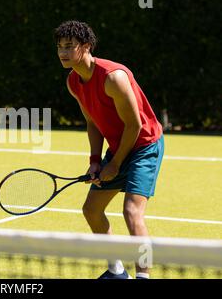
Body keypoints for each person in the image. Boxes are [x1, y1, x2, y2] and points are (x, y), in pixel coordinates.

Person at [55, 20, 164, 279]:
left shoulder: (113, 77)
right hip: (119, 146)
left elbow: (134, 125)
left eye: (69, 46)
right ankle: (116, 271)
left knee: (132, 211)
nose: (62, 52)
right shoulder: (73, 82)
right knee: (91, 210)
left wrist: (114, 164)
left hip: (144, 145)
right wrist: (95, 161)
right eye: (59, 47)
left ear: (87, 46)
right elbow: (92, 122)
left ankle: (143, 277)